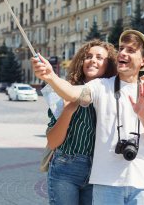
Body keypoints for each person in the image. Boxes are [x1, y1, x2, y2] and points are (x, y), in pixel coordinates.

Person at [32, 29, 144, 205]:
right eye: (121, 48)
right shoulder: (100, 86)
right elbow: (73, 92)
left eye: (131, 50)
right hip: (105, 183)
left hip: (142, 183)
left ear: (143, 61)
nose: (123, 53)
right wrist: (50, 76)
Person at [45, 39, 117, 205]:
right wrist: (69, 110)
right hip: (66, 168)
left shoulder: (113, 94)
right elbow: (52, 141)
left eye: (100, 57)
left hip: (100, 170)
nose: (93, 60)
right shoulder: (64, 90)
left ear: (109, 65)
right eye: (88, 56)